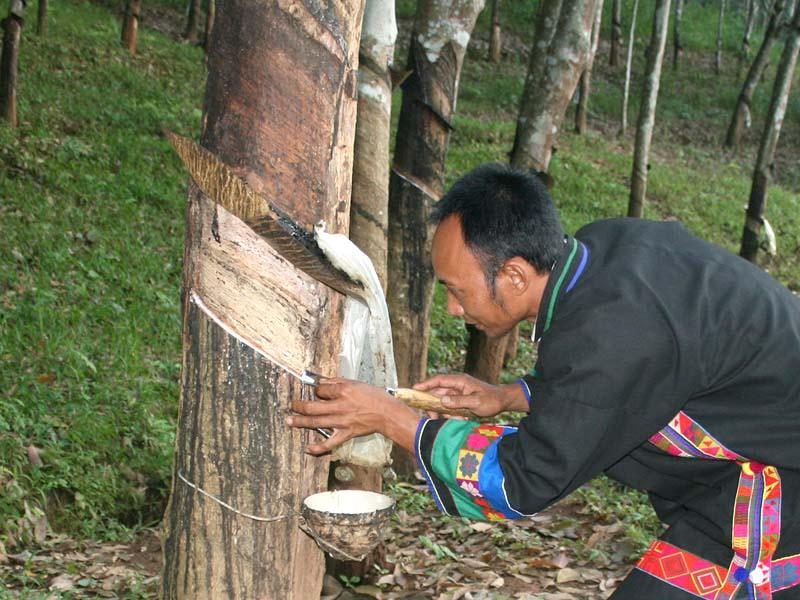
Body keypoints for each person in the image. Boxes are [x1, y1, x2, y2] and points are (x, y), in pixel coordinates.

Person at [287, 163, 800, 599]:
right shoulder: (600, 254)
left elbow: (517, 481)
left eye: (456, 290)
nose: (452, 307)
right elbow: (636, 377)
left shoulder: (614, 334)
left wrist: (391, 417)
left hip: (775, 500)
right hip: (739, 486)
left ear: (512, 275)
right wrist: (510, 395)